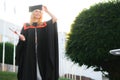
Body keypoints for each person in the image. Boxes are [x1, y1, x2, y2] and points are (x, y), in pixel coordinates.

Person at [15, 5, 59, 80]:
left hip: (42, 51)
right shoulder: (26, 26)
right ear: (32, 13)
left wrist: (47, 11)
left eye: (39, 12)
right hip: (29, 51)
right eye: (36, 11)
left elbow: (54, 19)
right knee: (30, 67)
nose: (38, 13)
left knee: (41, 67)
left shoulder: (44, 24)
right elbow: (23, 40)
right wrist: (22, 39)